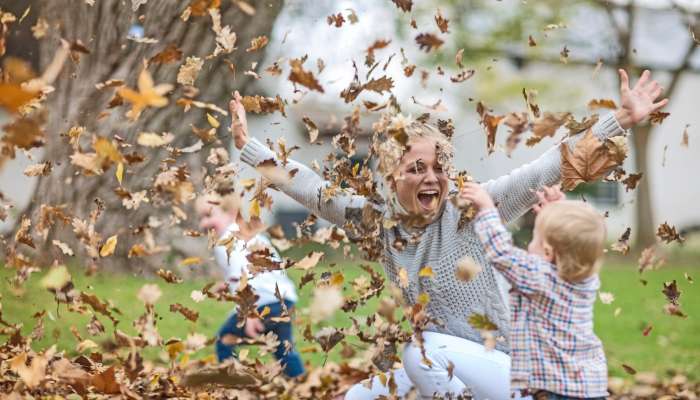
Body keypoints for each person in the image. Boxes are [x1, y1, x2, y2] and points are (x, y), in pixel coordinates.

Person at [228, 69, 666, 399]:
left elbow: (546, 167)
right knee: (359, 396)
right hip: (451, 370)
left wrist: (619, 121)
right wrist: (251, 148)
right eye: (417, 168)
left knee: (423, 351)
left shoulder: (470, 208)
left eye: (439, 167)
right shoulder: (374, 220)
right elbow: (310, 188)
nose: (432, 178)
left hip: (511, 372)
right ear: (390, 175)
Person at [463, 183, 608, 400]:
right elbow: (574, 239)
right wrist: (555, 212)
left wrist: (486, 209)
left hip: (558, 389)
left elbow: (502, 252)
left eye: (534, 239)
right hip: (589, 384)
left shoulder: (540, 276)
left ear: (548, 252)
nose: (530, 244)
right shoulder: (587, 280)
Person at [195, 192, 305, 378]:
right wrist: (227, 284)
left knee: (225, 340)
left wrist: (251, 314)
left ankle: (236, 382)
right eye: (201, 218)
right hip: (284, 300)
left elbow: (243, 277)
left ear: (231, 213)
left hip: (262, 303)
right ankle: (304, 385)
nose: (203, 224)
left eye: (209, 216)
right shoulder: (249, 235)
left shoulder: (225, 242)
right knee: (283, 349)